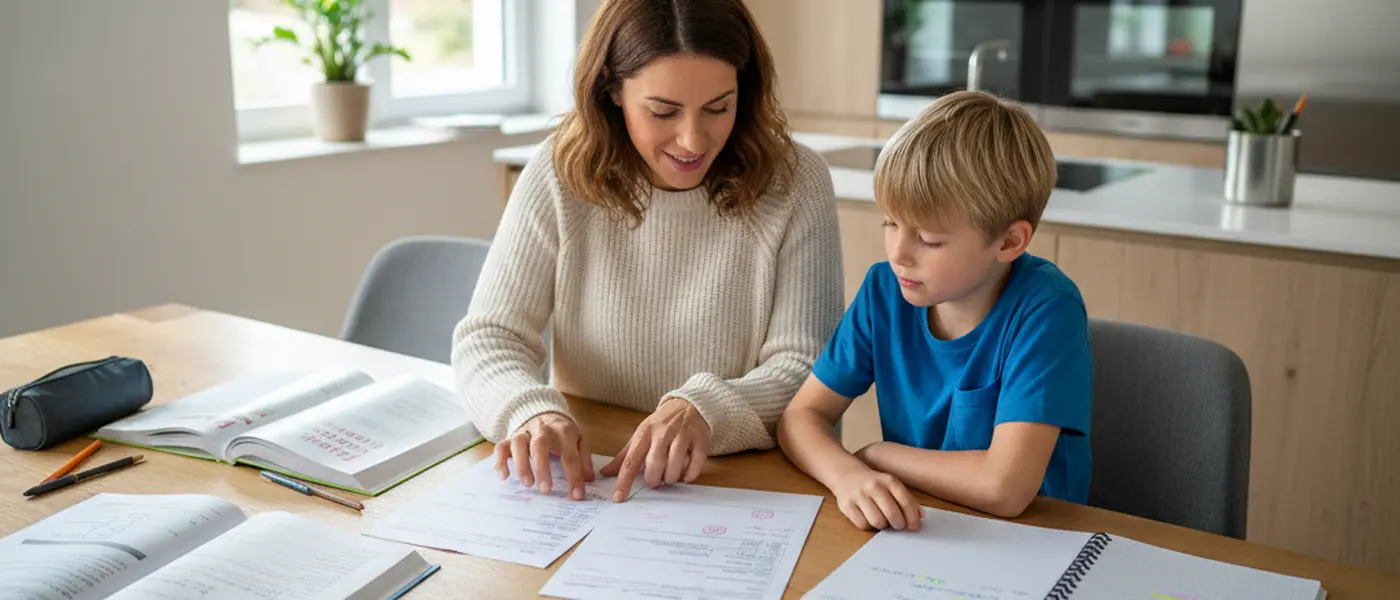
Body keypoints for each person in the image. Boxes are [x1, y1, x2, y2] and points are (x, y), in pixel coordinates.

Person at [452, 0, 843, 503]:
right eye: (663, 111)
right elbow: (489, 337)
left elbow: (810, 366)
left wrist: (705, 409)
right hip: (591, 471)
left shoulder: (796, 182)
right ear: (612, 87)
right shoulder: (559, 171)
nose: (693, 139)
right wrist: (530, 410)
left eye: (718, 107)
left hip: (737, 484)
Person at [777, 90, 1094, 532]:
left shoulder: (1047, 311)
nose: (898, 253)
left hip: (1035, 539)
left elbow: (1005, 488)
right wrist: (847, 475)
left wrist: (877, 455)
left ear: (1008, 242)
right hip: (924, 525)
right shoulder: (884, 291)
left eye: (928, 238)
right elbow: (800, 418)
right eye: (890, 223)